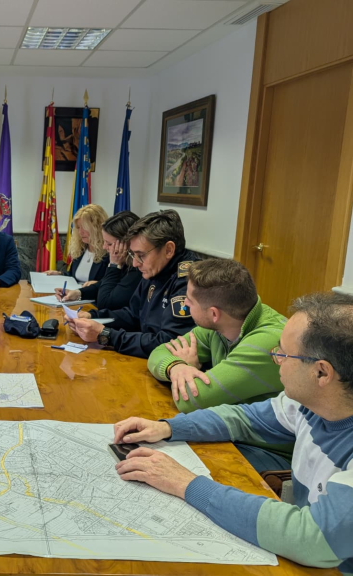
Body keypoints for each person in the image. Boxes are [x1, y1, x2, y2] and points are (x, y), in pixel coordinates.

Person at [112, 292, 353, 572]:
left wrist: (185, 483)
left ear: (322, 373)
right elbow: (244, 418)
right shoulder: (309, 404)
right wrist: (168, 427)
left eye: (283, 354)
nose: (275, 358)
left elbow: (312, 538)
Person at [148, 259, 287, 413]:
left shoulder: (267, 342)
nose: (185, 303)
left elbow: (191, 400)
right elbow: (159, 352)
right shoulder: (221, 324)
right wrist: (177, 366)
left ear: (214, 314)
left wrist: (190, 368)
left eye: (190, 300)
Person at [65, 209, 197, 358]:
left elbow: (169, 343)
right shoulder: (155, 268)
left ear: (168, 250)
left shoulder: (189, 282)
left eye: (140, 255)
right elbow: (133, 314)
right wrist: (92, 316)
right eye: (133, 254)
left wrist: (106, 335)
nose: (134, 263)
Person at [56, 210, 142, 309]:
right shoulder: (125, 264)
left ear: (127, 244)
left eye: (109, 244)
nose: (104, 247)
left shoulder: (137, 269)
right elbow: (101, 284)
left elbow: (105, 303)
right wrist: (78, 293)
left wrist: (114, 265)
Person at [45, 204, 108, 285]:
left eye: (84, 227)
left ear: (97, 228)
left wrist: (97, 284)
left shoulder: (110, 253)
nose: (80, 232)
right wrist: (59, 274)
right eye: (78, 227)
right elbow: (74, 276)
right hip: (74, 292)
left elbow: (113, 283)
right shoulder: (81, 249)